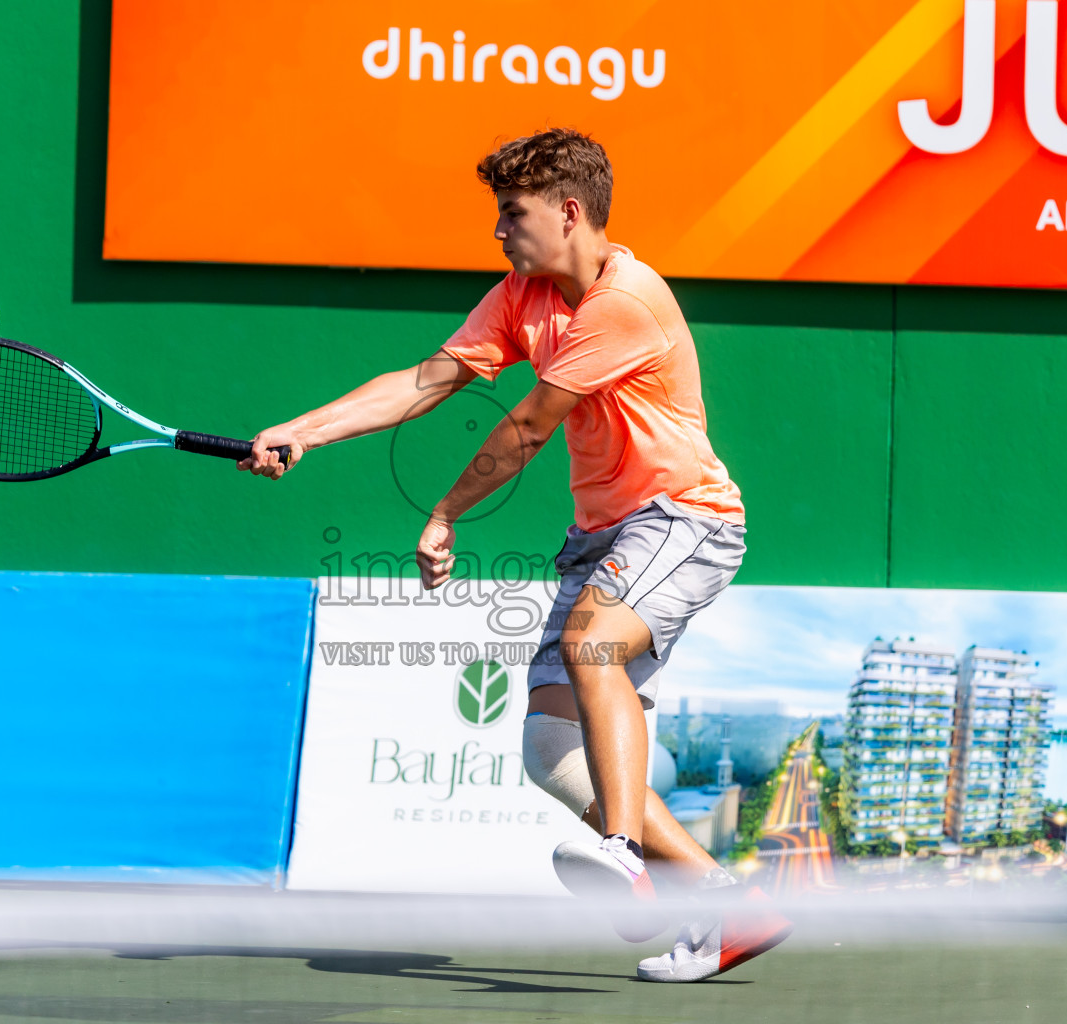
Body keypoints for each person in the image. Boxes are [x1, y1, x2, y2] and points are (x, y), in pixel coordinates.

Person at [238, 127, 790, 983]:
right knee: (549, 743)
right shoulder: (519, 294)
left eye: (513, 213)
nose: (499, 231)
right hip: (603, 534)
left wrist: (446, 511)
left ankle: (623, 853)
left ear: (569, 213)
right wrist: (302, 432)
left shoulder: (627, 300)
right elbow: (427, 382)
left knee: (593, 646)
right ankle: (727, 903)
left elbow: (531, 424)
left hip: (685, 518)